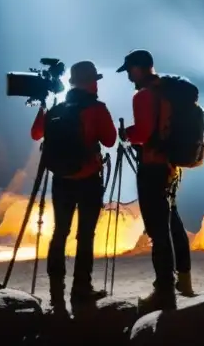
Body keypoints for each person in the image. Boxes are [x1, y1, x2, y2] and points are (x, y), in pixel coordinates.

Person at [31, 60, 117, 315]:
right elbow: (110, 140)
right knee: (85, 235)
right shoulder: (97, 108)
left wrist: (44, 106)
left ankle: (56, 289)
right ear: (91, 82)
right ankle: (81, 288)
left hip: (61, 180)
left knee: (60, 232)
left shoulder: (58, 108)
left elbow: (36, 134)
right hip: (88, 179)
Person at [117, 49, 193, 312]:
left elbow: (144, 132)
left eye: (129, 70)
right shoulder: (168, 91)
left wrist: (127, 134)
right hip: (172, 166)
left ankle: (164, 291)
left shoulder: (144, 96)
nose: (128, 75)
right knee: (172, 221)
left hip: (153, 167)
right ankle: (184, 280)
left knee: (158, 231)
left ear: (139, 68)